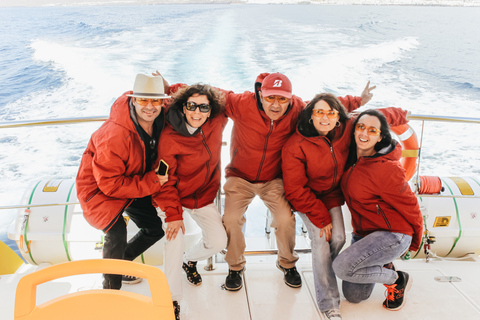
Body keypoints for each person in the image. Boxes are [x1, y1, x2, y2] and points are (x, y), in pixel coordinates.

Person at [221, 73, 376, 291]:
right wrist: (172, 90)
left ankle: (287, 263)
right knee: (231, 218)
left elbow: (328, 106)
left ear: (290, 98)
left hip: (274, 179)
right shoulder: (241, 103)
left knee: (285, 219)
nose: (276, 104)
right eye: (270, 98)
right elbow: (207, 96)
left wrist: (359, 100)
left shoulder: (297, 109)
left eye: (282, 99)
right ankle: (235, 267)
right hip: (239, 176)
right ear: (260, 94)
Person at [282, 94, 410, 319]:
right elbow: (295, 190)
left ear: (338, 117)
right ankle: (329, 303)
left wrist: (402, 114)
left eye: (331, 113)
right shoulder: (296, 145)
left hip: (331, 196)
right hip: (306, 199)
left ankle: (328, 274)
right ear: (310, 115)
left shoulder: (346, 128)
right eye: (319, 112)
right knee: (321, 240)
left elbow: (379, 117)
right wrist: (321, 218)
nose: (325, 118)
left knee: (339, 237)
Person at [75, 74, 169, 290]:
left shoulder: (159, 112)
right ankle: (110, 287)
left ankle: (120, 264)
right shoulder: (113, 136)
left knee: (154, 229)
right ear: (133, 99)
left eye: (156, 100)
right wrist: (154, 181)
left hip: (133, 180)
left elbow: (178, 97)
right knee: (116, 233)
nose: (150, 106)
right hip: (99, 190)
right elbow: (109, 185)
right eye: (143, 100)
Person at [332, 109, 423, 312]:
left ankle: (397, 279)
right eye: (361, 128)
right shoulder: (351, 155)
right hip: (364, 234)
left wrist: (416, 240)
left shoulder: (387, 169)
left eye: (372, 130)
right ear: (354, 129)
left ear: (380, 136)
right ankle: (385, 265)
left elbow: (411, 206)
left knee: (341, 267)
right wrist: (398, 113)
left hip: (393, 234)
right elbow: (375, 114)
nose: (364, 134)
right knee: (355, 297)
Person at [152, 83, 228, 319]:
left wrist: (174, 86)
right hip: (171, 196)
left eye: (203, 107)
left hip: (202, 196)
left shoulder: (217, 121)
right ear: (183, 108)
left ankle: (190, 260)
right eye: (191, 106)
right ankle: (172, 300)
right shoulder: (169, 137)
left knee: (218, 241)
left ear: (210, 109)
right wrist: (173, 215)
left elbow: (229, 96)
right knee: (175, 242)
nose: (197, 112)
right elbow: (164, 181)